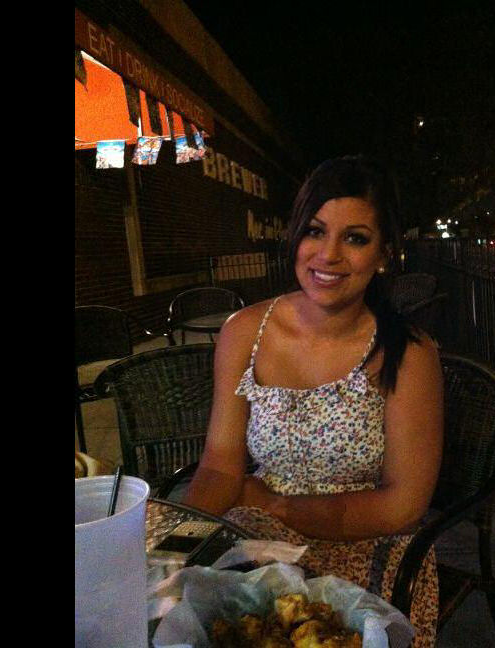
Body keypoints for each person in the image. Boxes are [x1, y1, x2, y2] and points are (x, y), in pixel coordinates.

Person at [184, 154, 444, 647]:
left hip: (368, 545)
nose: (328, 255)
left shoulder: (407, 353)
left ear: (384, 254)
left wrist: (275, 505)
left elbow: (403, 504)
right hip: (259, 539)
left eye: (355, 238)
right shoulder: (243, 332)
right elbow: (219, 465)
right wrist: (181, 546)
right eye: (315, 231)